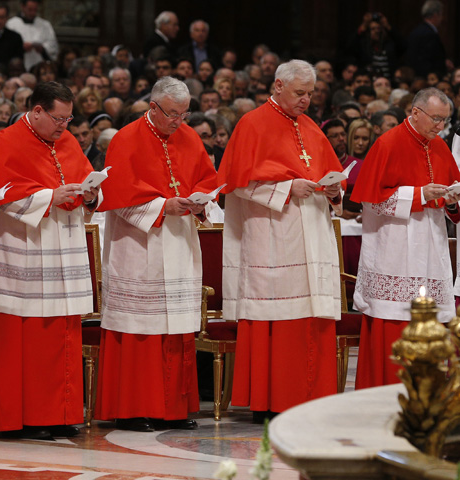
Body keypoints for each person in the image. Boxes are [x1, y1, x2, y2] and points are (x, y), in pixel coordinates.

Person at [0, 81, 100, 439]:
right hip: (24, 251)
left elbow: (83, 181)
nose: (64, 126)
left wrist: (90, 194)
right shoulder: (5, 141)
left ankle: (60, 413)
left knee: (61, 333)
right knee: (27, 337)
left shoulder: (69, 141)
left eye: (69, 118)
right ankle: (26, 417)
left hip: (62, 248)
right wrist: (49, 196)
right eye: (58, 118)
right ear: (37, 110)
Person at [217, 60, 342, 418]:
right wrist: (288, 186)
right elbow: (238, 182)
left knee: (309, 316)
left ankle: (309, 398)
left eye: (311, 93)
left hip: (311, 232)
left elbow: (326, 174)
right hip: (273, 235)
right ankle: (271, 401)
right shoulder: (252, 123)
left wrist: (333, 191)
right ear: (277, 85)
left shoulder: (311, 128)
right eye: (300, 92)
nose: (306, 100)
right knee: (279, 318)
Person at [95, 76, 217, 432]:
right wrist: (164, 205)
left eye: (184, 113)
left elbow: (207, 180)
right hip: (138, 245)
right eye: (172, 114)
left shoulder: (190, 138)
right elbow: (117, 196)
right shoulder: (126, 138)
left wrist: (199, 201)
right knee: (141, 329)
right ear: (153, 107)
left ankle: (174, 409)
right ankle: (135, 409)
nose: (178, 121)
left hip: (178, 242)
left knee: (175, 329)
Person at [351, 87, 460, 388]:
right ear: (415, 112)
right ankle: (387, 390)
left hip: (431, 242)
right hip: (394, 245)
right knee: (395, 317)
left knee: (431, 319)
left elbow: (449, 195)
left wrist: (451, 199)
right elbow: (371, 200)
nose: (440, 127)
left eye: (445, 121)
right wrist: (420, 194)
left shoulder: (438, 146)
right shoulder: (388, 144)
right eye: (436, 119)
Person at [6, 0, 59, 71]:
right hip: (19, 68)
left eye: (35, 10)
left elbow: (52, 45)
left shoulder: (45, 25)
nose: (32, 13)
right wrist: (21, 48)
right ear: (22, 7)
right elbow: (7, 47)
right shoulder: (12, 24)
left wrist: (43, 48)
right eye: (30, 9)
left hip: (40, 67)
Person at [406, 1, 450, 79]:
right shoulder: (429, 34)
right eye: (441, 14)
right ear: (436, 15)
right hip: (429, 77)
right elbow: (429, 59)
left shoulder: (416, 31)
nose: (442, 18)